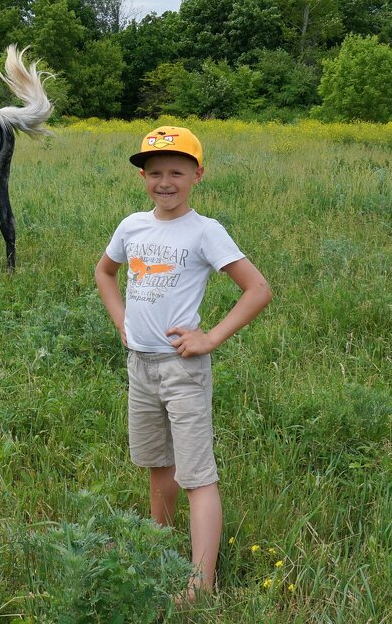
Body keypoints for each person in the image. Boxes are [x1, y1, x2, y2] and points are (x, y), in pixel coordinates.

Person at [94, 125, 272, 602]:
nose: (164, 181)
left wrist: (210, 336)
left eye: (176, 171)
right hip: (140, 366)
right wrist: (122, 322)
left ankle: (201, 583)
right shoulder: (132, 226)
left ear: (198, 175)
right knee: (158, 464)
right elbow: (104, 272)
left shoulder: (204, 231)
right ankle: (158, 543)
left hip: (181, 369)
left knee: (196, 475)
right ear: (143, 178)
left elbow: (257, 289)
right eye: (155, 172)